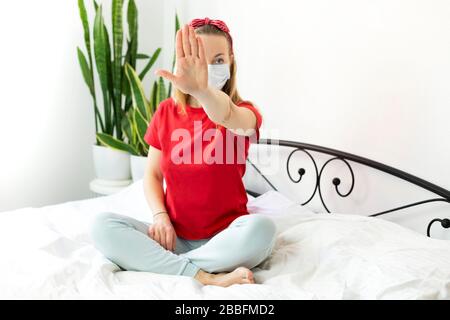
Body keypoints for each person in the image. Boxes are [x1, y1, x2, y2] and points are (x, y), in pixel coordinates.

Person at [90, 17, 276, 287]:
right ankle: (206, 275)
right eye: (200, 58)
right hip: (172, 239)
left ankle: (167, 265)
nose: (209, 68)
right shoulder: (165, 112)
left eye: (218, 60)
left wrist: (202, 92)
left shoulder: (244, 112)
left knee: (263, 231)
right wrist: (160, 217)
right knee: (101, 226)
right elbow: (152, 175)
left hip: (226, 238)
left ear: (231, 61)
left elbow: (226, 114)